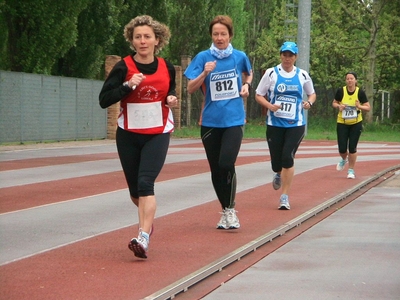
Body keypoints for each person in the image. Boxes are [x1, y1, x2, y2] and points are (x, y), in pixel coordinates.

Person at [99, 15, 178, 259]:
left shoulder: (167, 67)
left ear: (157, 40)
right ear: (132, 41)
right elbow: (104, 100)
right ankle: (148, 222)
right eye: (137, 37)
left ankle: (143, 236)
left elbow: (170, 90)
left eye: (147, 37)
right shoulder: (123, 67)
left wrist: (171, 99)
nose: (142, 41)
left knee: (146, 183)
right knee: (135, 190)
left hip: (157, 132)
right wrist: (127, 86)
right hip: (129, 134)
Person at [184, 15, 253, 229]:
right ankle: (225, 210)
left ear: (230, 35)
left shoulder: (239, 56)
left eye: (223, 34)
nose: (219, 38)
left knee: (226, 163)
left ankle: (231, 210)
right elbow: (190, 88)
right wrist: (204, 73)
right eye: (215, 34)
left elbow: (248, 74)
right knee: (215, 168)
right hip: (211, 121)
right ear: (211, 36)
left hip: (233, 119)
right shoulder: (203, 57)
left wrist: (246, 86)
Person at [255, 41, 316, 210]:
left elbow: (312, 94)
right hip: (275, 123)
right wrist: (269, 106)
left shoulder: (302, 75)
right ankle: (277, 172)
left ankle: (284, 196)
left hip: (295, 124)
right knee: (277, 161)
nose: (287, 58)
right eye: (285, 55)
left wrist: (309, 104)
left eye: (291, 55)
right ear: (280, 55)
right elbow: (259, 95)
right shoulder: (271, 73)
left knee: (287, 157)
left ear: (295, 57)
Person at [332, 71, 370, 179]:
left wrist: (359, 106)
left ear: (355, 80)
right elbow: (334, 103)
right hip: (342, 122)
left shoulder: (360, 92)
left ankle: (351, 170)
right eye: (348, 78)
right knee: (342, 148)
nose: (349, 80)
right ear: (346, 80)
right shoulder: (341, 91)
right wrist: (339, 106)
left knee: (352, 147)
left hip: (356, 123)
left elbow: (368, 107)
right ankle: (344, 159)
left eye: (351, 78)